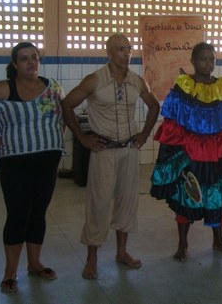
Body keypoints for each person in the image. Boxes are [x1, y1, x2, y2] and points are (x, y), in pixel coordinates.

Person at [61, 33, 160, 279]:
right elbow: (66, 105)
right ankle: (92, 259)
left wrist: (145, 134)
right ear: (109, 52)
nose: (126, 53)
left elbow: (154, 106)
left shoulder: (137, 81)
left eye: (128, 49)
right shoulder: (95, 80)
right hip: (103, 151)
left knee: (127, 203)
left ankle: (122, 252)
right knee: (99, 204)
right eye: (120, 49)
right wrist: (83, 139)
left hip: (129, 150)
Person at [0, 42, 65, 292]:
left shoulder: (52, 88)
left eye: (34, 58)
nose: (31, 63)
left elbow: (63, 113)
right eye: (24, 59)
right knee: (18, 215)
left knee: (38, 213)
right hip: (15, 162)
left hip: (47, 161)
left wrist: (58, 135)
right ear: (15, 64)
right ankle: (10, 272)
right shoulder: (6, 88)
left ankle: (35, 264)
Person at [150, 42, 222, 261]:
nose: (208, 63)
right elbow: (172, 122)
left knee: (216, 194)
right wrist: (177, 156)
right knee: (188, 195)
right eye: (203, 59)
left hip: (217, 153)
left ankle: (218, 240)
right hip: (191, 153)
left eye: (212, 59)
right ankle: (182, 244)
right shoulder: (183, 86)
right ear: (193, 61)